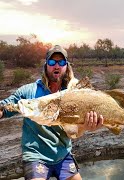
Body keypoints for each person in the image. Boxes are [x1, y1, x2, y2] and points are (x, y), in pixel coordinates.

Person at [0, 45, 103, 180]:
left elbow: (74, 132)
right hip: (36, 156)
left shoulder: (74, 94)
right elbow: (4, 108)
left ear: (66, 66)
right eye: (52, 62)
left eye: (61, 62)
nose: (56, 66)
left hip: (63, 154)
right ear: (46, 65)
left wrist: (87, 126)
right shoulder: (28, 91)